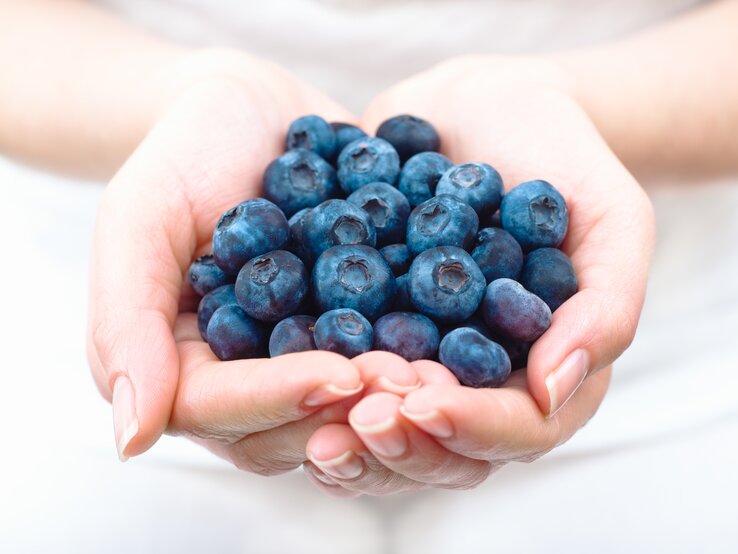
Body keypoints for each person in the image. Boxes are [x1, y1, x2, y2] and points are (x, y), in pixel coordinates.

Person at [1, 0, 736, 507]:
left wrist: (574, 97)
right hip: (93, 291)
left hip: (673, 339)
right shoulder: (290, 243)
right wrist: (179, 97)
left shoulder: (474, 243)